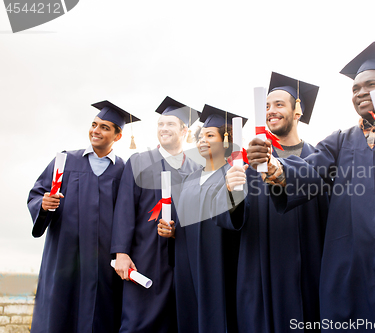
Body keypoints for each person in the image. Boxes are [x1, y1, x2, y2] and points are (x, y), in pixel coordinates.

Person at [247, 43, 375, 331]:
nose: (361, 92)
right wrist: (275, 167)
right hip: (347, 271)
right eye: (355, 88)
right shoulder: (339, 141)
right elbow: (309, 170)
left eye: (371, 85)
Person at [226, 72, 329, 333]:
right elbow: (234, 219)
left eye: (279, 105)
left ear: (298, 111)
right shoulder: (248, 164)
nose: (271, 111)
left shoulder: (319, 159)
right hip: (260, 272)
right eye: (267, 107)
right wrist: (231, 194)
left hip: (310, 271)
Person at [27, 101, 140, 333]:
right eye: (94, 124)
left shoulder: (123, 170)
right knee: (59, 311)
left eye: (105, 127)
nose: (96, 130)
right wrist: (43, 204)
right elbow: (37, 194)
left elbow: (132, 212)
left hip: (103, 261)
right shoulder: (65, 161)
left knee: (102, 314)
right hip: (65, 254)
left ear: (118, 136)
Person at [110, 96, 200, 333]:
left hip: (182, 259)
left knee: (177, 321)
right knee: (137, 321)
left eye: (170, 124)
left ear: (185, 131)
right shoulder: (139, 162)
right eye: (160, 124)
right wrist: (121, 252)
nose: (163, 129)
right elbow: (124, 209)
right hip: (145, 256)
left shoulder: (195, 169)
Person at [159, 104, 248, 333]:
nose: (202, 140)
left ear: (225, 141)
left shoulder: (233, 175)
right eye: (200, 136)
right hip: (186, 262)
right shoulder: (189, 179)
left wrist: (232, 189)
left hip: (218, 259)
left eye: (210, 135)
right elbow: (181, 222)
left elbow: (237, 216)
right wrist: (171, 230)